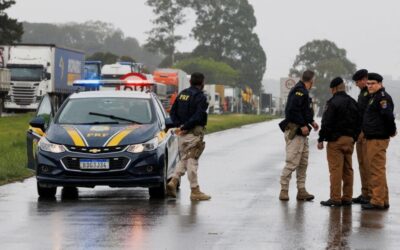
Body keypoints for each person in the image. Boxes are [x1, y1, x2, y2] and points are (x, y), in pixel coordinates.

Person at [166, 72, 211, 201]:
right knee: (192, 161)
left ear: (190, 81)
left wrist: (179, 126)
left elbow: (173, 111)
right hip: (192, 133)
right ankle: (195, 190)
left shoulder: (182, 94)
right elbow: (198, 116)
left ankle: (173, 181)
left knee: (184, 159)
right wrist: (185, 127)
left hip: (181, 134)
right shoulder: (200, 97)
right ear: (202, 83)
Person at [318, 77, 361, 207]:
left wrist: (321, 139)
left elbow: (326, 123)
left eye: (331, 89)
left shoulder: (332, 103)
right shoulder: (353, 102)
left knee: (336, 170)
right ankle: (347, 197)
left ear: (334, 88)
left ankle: (335, 198)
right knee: (348, 169)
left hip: (335, 141)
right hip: (350, 140)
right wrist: (354, 137)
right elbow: (359, 121)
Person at [278, 70, 319, 201]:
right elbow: (292, 110)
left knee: (303, 163)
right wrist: (302, 124)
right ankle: (283, 190)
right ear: (312, 80)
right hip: (295, 131)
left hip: (302, 133)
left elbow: (304, 110)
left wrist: (311, 122)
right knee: (292, 162)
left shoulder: (304, 91)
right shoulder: (299, 91)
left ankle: (301, 190)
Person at [362, 73, 397, 210]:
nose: (369, 86)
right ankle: (383, 199)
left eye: (372, 83)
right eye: (368, 83)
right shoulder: (375, 97)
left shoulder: (382, 98)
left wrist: (392, 131)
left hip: (378, 138)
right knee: (378, 170)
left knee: (376, 170)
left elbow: (388, 116)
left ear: (380, 84)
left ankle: (377, 200)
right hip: (373, 137)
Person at [351, 69, 371, 205]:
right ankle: (365, 193)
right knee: (362, 165)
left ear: (364, 80)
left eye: (358, 82)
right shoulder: (362, 93)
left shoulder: (370, 92)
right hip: (360, 132)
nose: (357, 84)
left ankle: (370, 194)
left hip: (366, 132)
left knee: (368, 165)